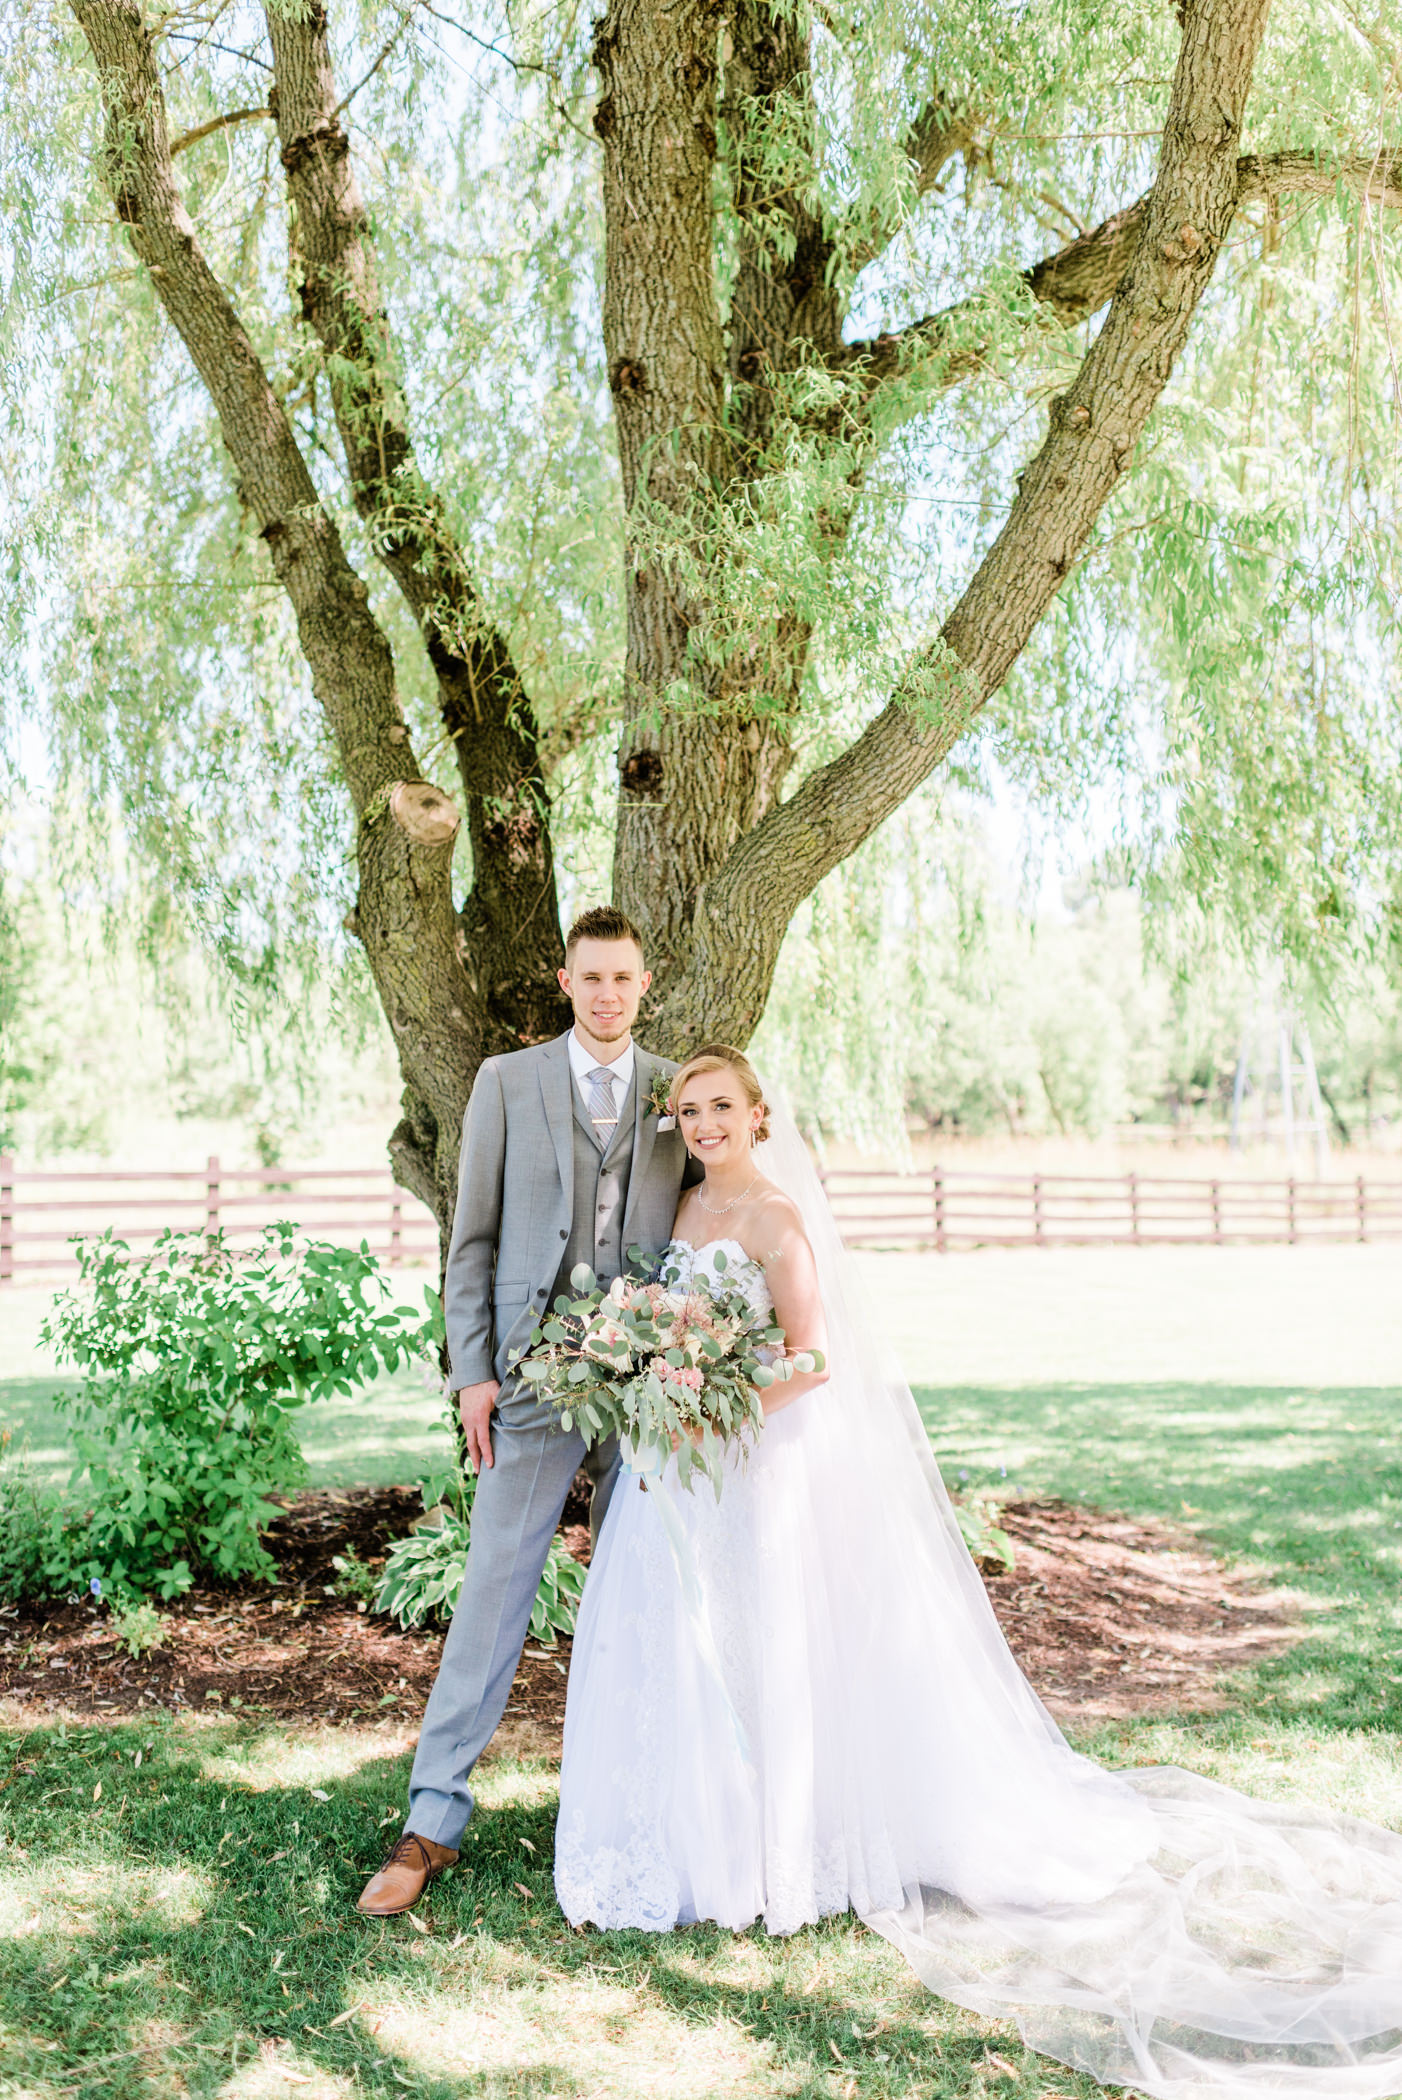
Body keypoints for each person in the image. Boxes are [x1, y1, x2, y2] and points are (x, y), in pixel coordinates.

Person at [555, 1044, 1402, 2100]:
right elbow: (677, 1327)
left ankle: (771, 1845)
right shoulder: (681, 1214)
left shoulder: (776, 1218)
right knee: (684, 1650)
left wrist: (715, 1412)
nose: (705, 1123)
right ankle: (683, 1842)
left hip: (750, 1464)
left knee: (763, 1649)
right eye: (688, 1110)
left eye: (721, 1105)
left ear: (758, 1115)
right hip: (678, 1472)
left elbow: (813, 1359)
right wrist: (651, 1387)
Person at [356, 906, 696, 1918]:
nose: (606, 995)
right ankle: (430, 1824)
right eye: (589, 978)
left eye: (622, 979)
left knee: (657, 1600)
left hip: (649, 1387)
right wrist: (471, 1374)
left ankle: (659, 1811)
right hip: (532, 1380)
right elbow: (471, 1241)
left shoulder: (677, 1094)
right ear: (564, 981)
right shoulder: (506, 1084)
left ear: (644, 984)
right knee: (492, 1597)